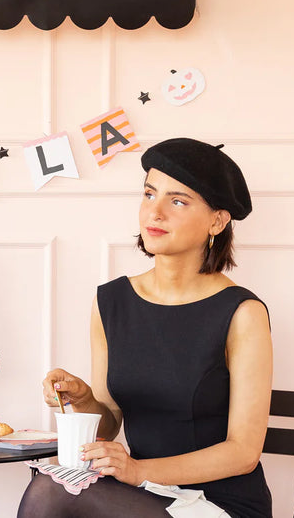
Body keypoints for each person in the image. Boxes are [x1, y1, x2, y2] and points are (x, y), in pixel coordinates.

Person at [17, 138, 274, 518]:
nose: (154, 212)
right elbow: (107, 425)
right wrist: (84, 399)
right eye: (149, 194)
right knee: (49, 486)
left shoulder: (242, 312)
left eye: (178, 200)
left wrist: (138, 471)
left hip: (218, 503)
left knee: (51, 493)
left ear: (217, 221)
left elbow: (243, 452)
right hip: (143, 495)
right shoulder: (111, 302)